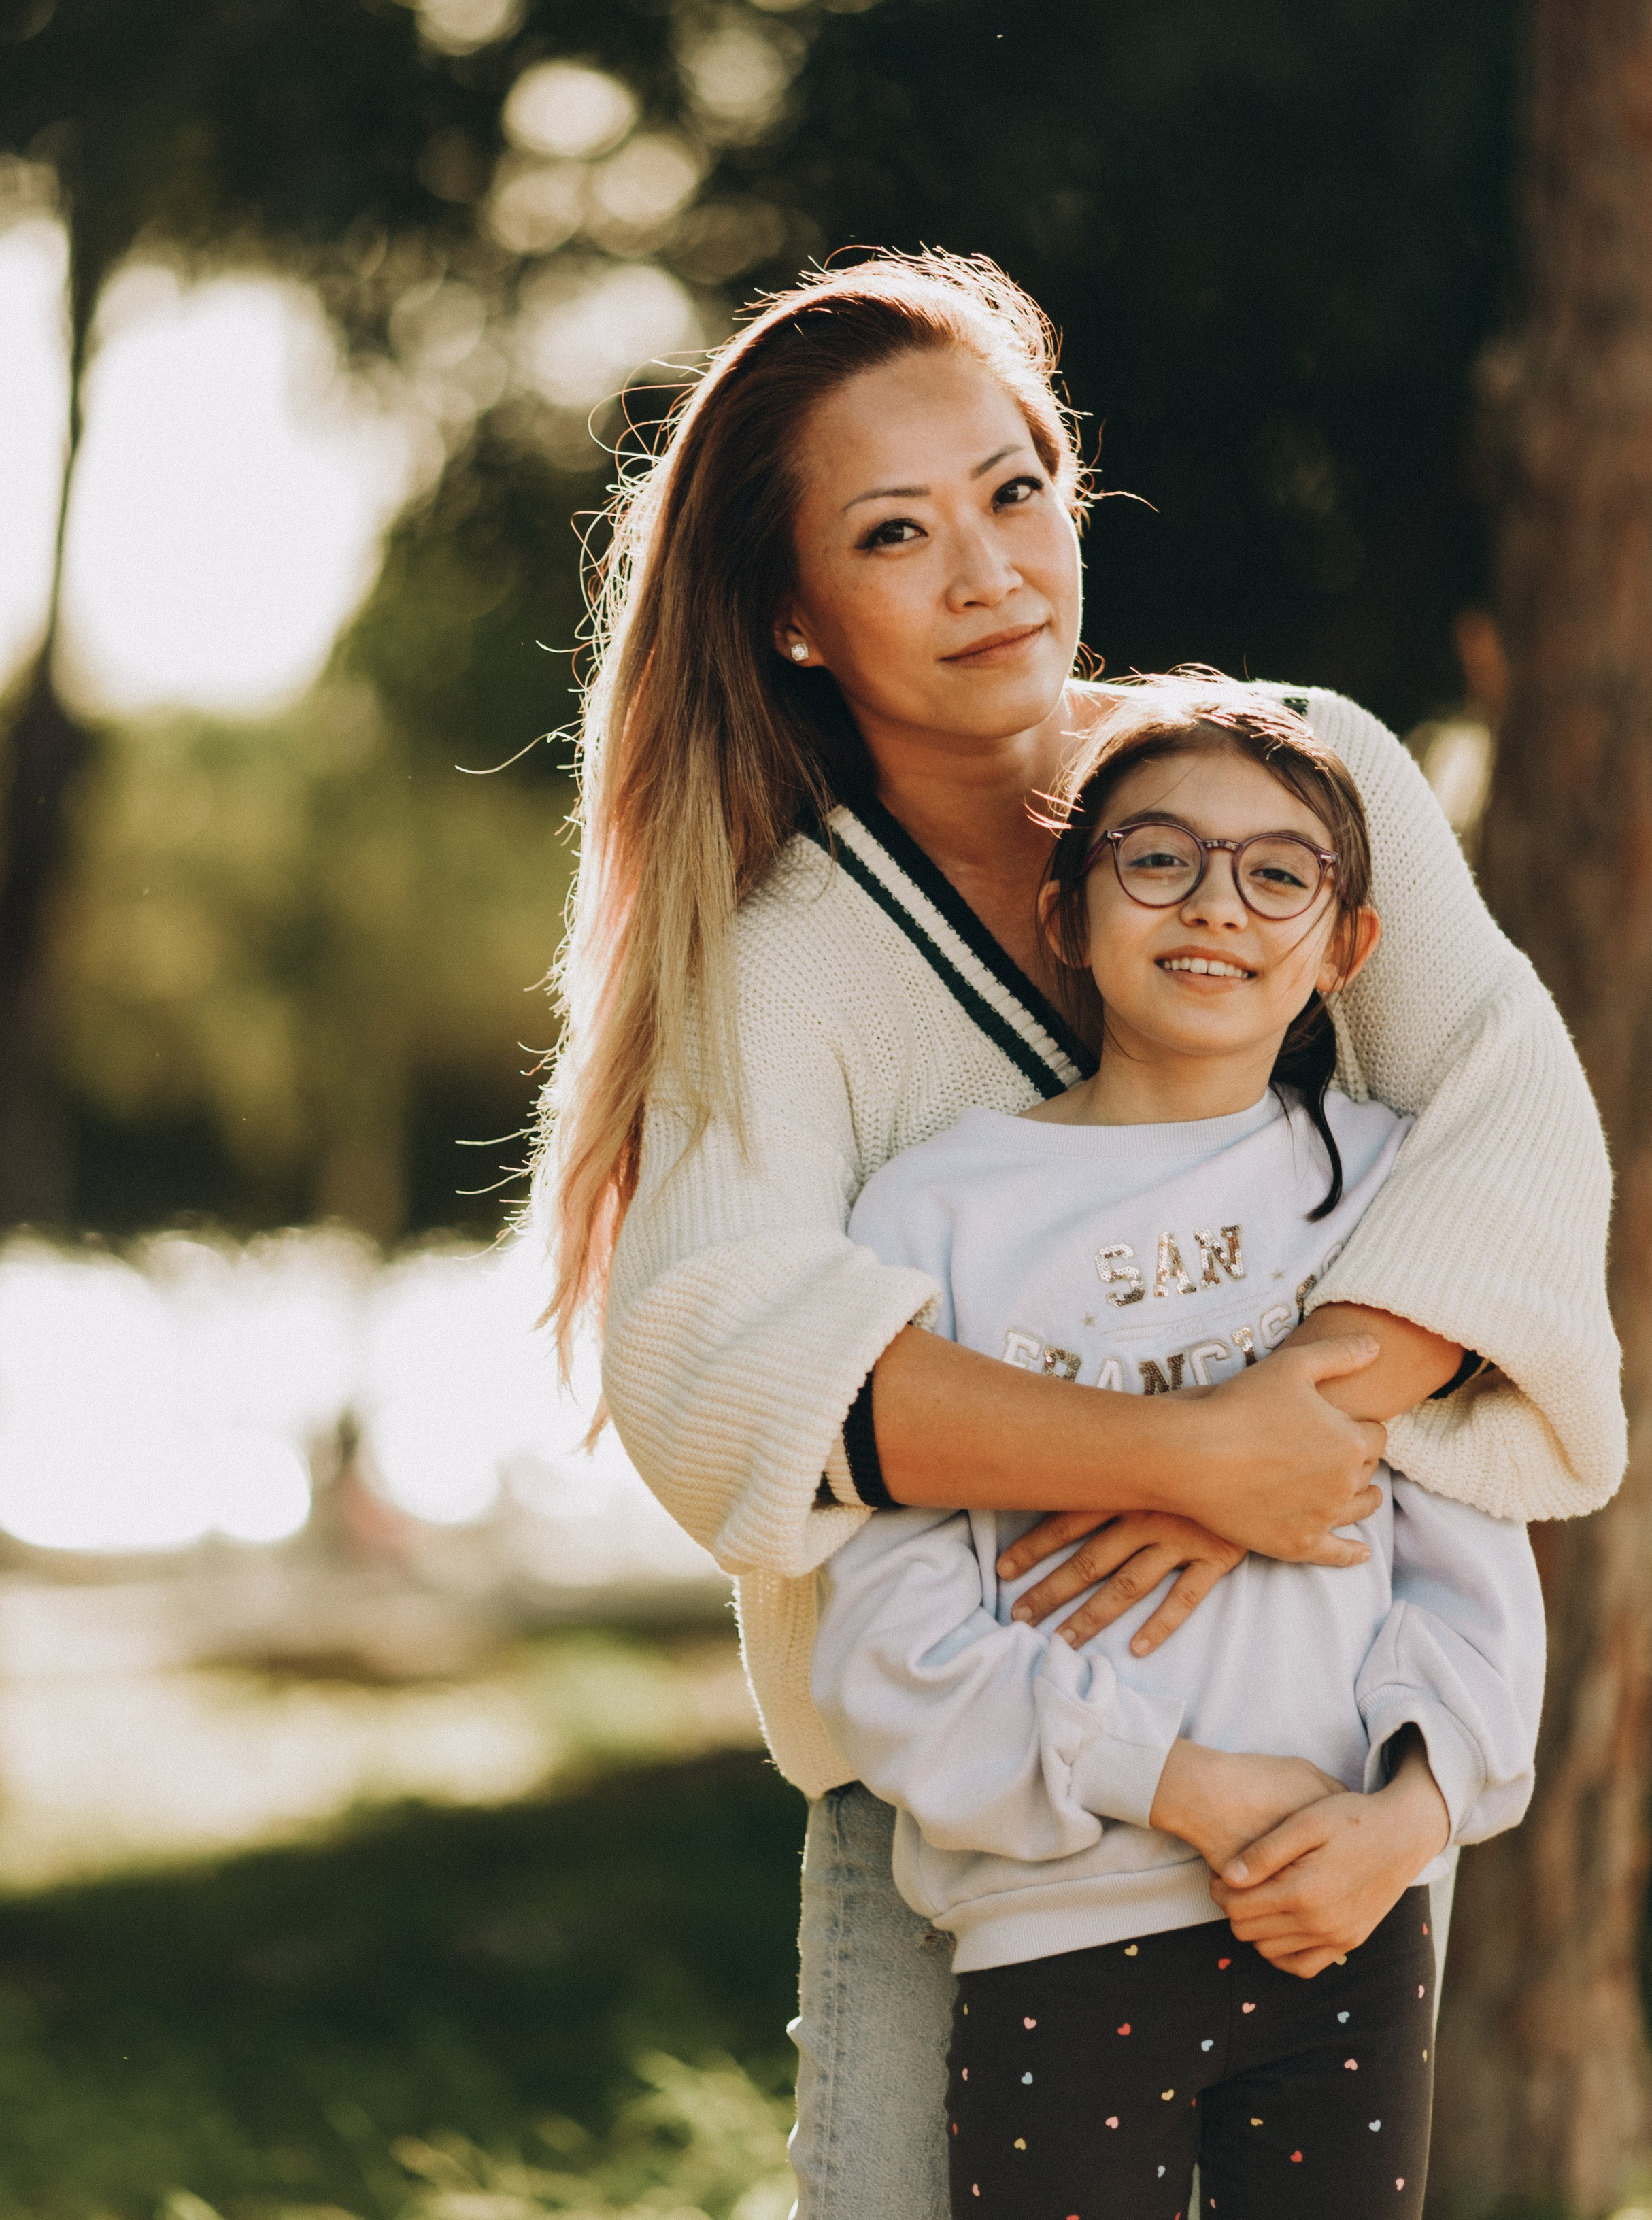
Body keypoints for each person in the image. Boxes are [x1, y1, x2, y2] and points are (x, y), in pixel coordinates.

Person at [532, 252, 1623, 2220]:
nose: (992, 573)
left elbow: (1510, 1126)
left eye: (1015, 489)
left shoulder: (1300, 782)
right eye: (895, 532)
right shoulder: (791, 960)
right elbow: (719, 1363)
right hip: (978, 1812)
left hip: (1327, 1778)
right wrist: (1188, 1460)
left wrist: (1303, 1410)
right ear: (793, 611)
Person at [811, 678, 1547, 2220]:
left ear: (1342, 945)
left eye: (1277, 871)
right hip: (1057, 1937)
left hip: (1342, 1917)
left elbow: (1472, 1567)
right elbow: (886, 1643)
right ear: (1066, 909)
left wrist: (1404, 1821)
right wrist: (1185, 1784)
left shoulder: (1390, 1197)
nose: (1216, 904)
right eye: (1157, 858)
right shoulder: (932, 1214)